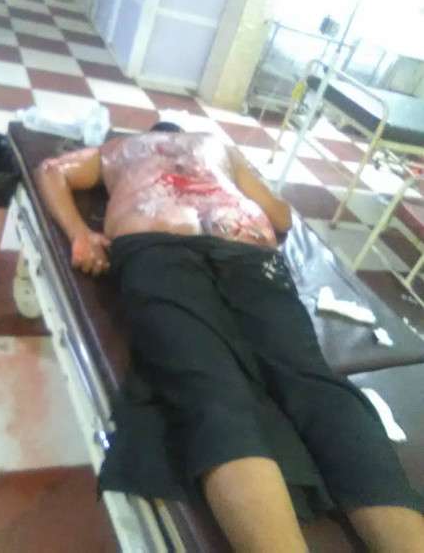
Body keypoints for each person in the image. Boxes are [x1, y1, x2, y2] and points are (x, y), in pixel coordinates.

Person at [36, 122, 424, 552]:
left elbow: (52, 170)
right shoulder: (218, 146)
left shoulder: (119, 149)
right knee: (314, 384)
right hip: (246, 246)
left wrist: (81, 233)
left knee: (211, 387)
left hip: (157, 243)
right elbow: (281, 216)